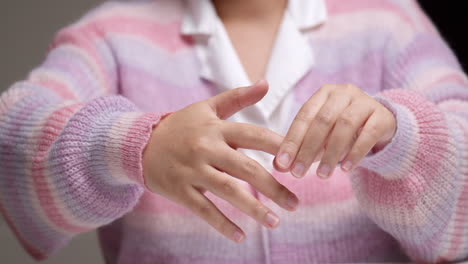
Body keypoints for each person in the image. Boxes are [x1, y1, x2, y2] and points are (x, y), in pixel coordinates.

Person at [0, 0, 467, 263]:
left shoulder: (389, 22)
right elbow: (13, 142)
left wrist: (401, 138)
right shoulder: (110, 36)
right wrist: (132, 145)